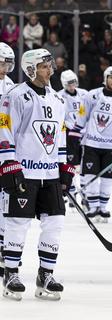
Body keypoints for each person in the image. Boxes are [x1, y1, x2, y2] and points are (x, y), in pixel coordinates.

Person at [0, 48, 75, 301]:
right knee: (17, 223)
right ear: (31, 69)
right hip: (24, 172)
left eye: (50, 65)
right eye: (44, 66)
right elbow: (5, 131)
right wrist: (8, 164)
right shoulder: (15, 96)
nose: (50, 69)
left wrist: (65, 167)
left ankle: (46, 273)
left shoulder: (58, 99)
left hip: (50, 173)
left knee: (55, 223)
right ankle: (11, 272)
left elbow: (60, 135)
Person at [79, 67, 112, 222]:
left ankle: (103, 207)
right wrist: (74, 136)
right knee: (91, 175)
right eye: (111, 77)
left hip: (111, 146)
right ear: (105, 78)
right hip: (91, 144)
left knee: (108, 179)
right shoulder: (92, 96)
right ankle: (93, 206)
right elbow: (82, 116)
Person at [59, 70, 88, 207]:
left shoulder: (84, 94)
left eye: (74, 83)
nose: (72, 86)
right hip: (68, 134)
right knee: (69, 164)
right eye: (69, 84)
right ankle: (70, 191)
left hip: (84, 134)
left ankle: (85, 191)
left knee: (84, 164)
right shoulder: (59, 96)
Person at [0, 42, 15, 279]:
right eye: (1, 62)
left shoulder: (11, 86)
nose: (4, 67)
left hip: (2, 150)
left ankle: (3, 245)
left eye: (7, 63)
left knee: (4, 199)